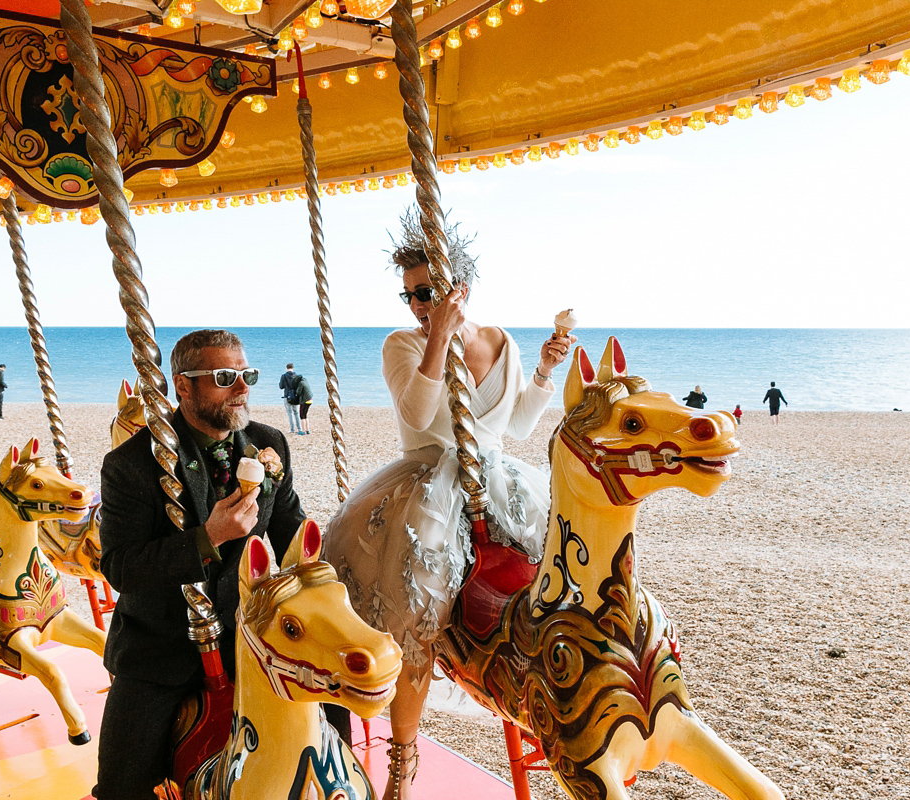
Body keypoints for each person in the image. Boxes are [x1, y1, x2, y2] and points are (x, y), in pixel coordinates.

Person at [322, 215, 573, 800]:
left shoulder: (501, 341)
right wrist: (436, 334)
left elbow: (518, 424)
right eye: (408, 294)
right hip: (426, 487)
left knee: (553, 579)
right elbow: (415, 415)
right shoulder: (402, 343)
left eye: (426, 292)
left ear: (459, 286)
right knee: (419, 618)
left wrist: (542, 371)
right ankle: (403, 758)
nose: (415, 303)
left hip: (498, 481)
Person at [93, 329, 305, 800]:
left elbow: (291, 528)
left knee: (328, 712)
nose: (243, 388)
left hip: (249, 635)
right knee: (120, 785)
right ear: (183, 386)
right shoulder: (131, 465)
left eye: (246, 375)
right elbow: (120, 567)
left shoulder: (269, 444)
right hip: (162, 644)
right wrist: (207, 540)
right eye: (225, 377)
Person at [279, 363, 301, 433]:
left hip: (287, 396)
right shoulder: (297, 376)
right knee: (296, 413)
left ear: (286, 368)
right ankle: (299, 428)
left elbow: (281, 386)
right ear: (293, 368)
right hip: (296, 396)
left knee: (289, 413)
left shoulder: (284, 376)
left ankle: (292, 429)